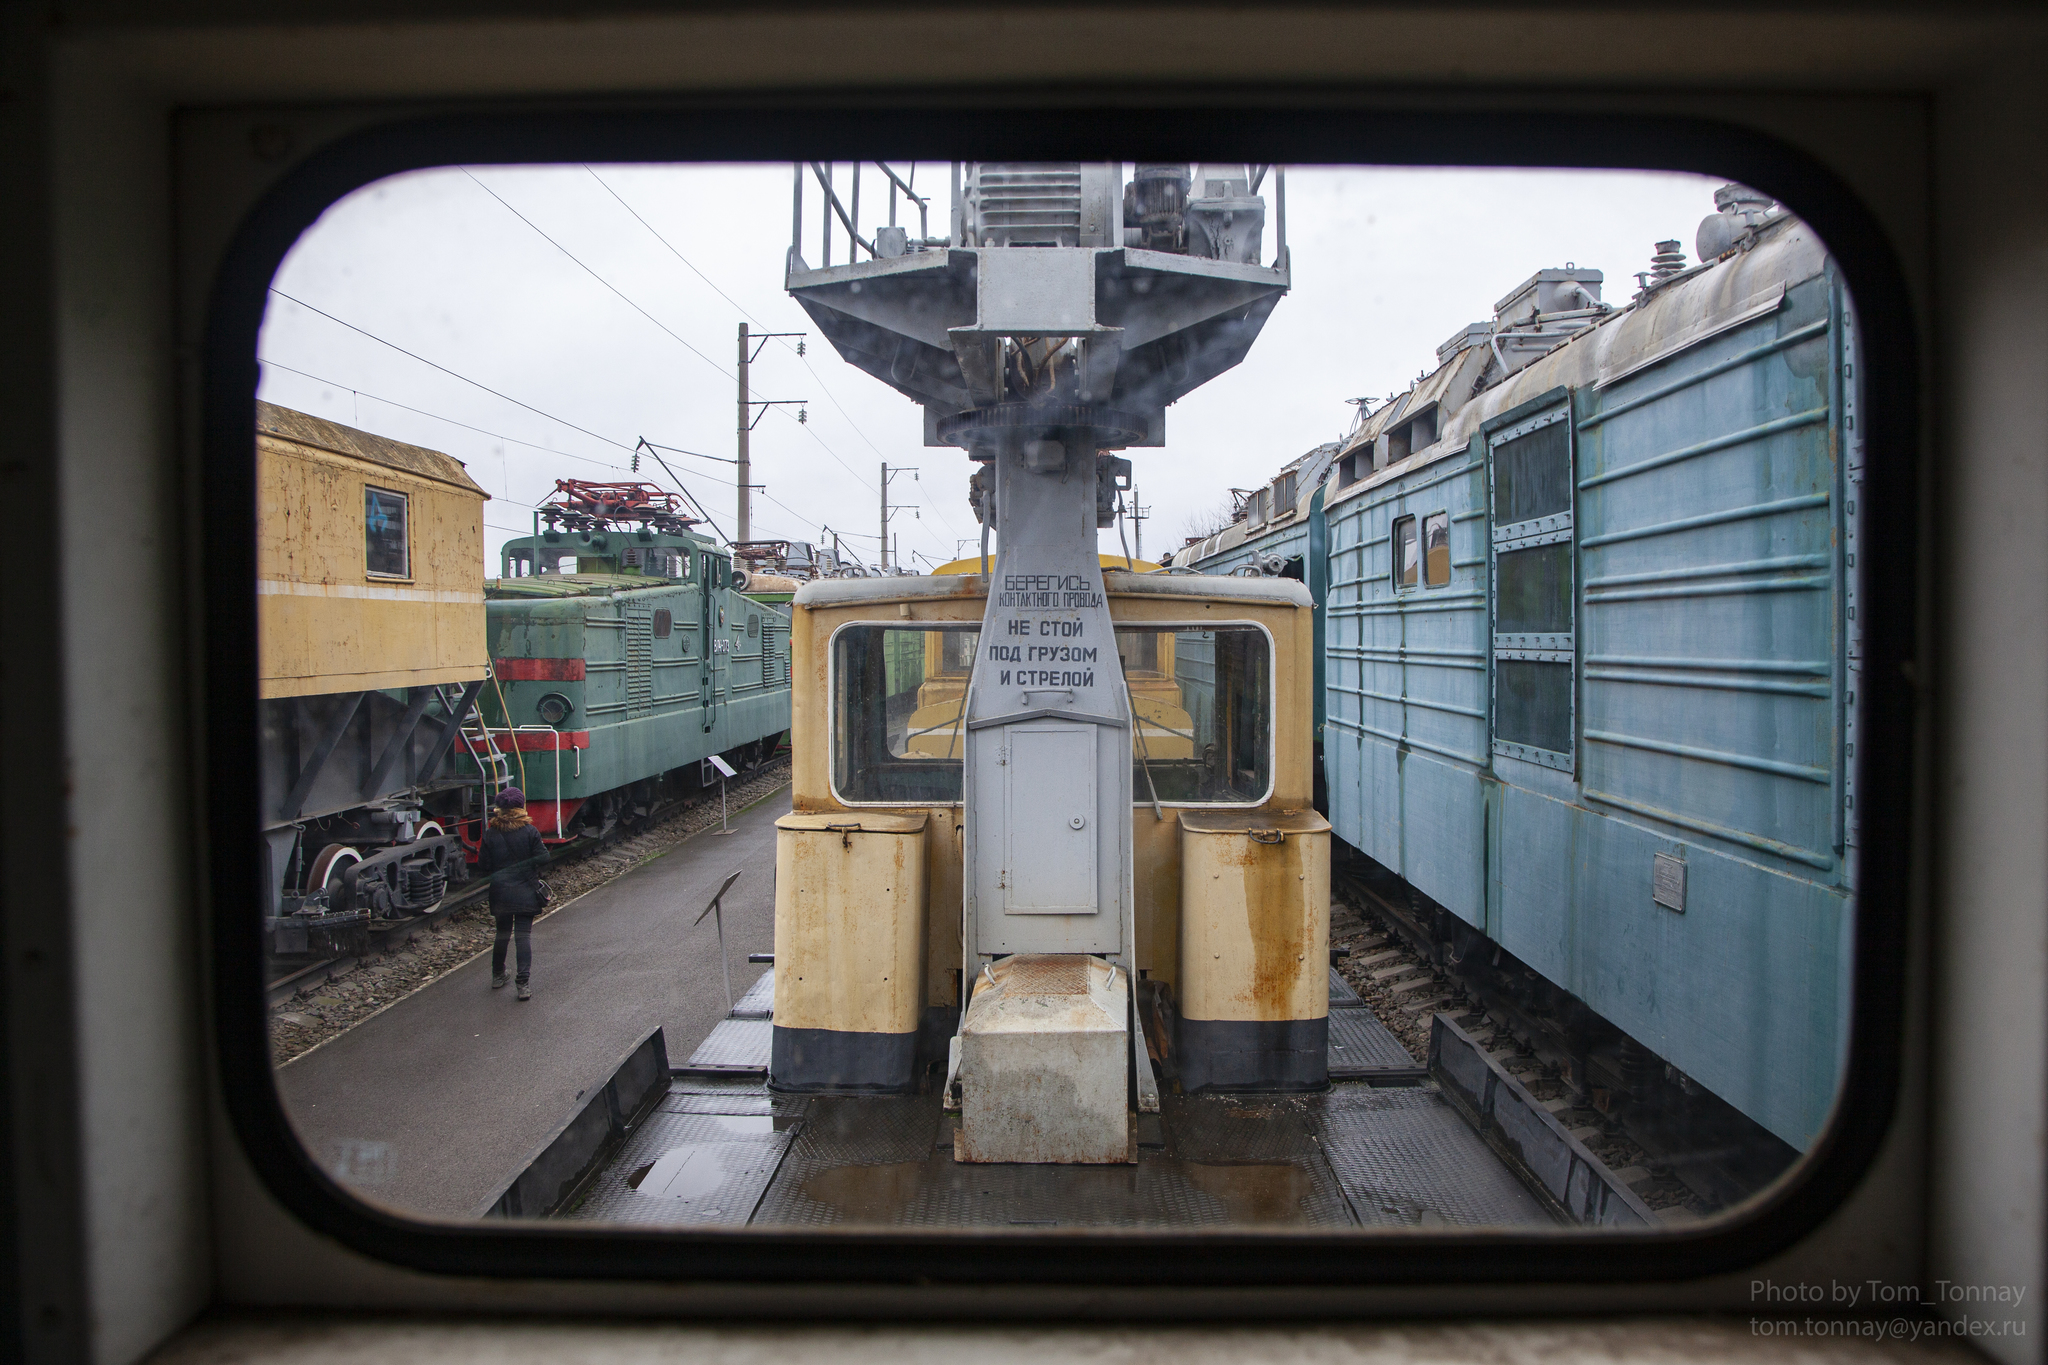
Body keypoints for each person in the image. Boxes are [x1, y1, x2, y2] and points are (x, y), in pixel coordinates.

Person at [476, 787, 549, 1000]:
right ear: (521, 807)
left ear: (500, 808)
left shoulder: (491, 834)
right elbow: (543, 858)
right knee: (523, 936)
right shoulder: (530, 832)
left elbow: (483, 865)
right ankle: (523, 983)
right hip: (526, 891)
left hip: (501, 894)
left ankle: (498, 975)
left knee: (502, 934)